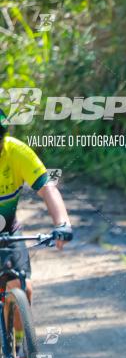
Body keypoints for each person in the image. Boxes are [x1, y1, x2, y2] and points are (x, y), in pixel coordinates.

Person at [0, 108, 73, 337]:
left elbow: (47, 188)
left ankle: (17, 351)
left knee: (23, 289)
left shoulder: (16, 151)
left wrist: (62, 223)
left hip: (7, 231)